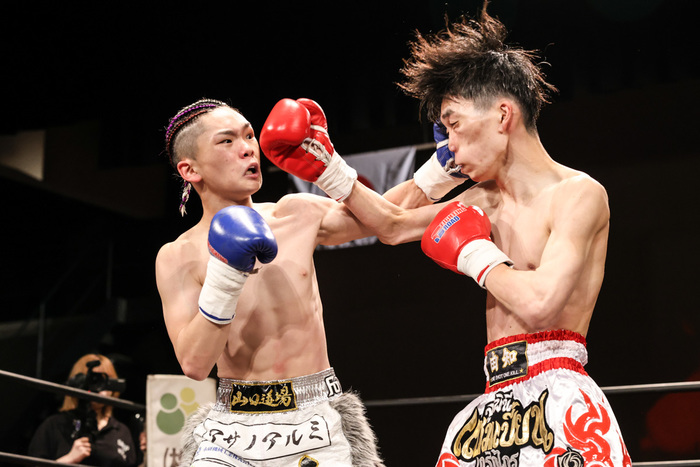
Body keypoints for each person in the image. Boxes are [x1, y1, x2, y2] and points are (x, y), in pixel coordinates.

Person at [259, 4, 631, 467]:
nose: (448, 143)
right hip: (493, 402)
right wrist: (329, 169)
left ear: (503, 115)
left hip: (558, 397)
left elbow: (540, 304)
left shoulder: (577, 194)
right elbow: (391, 225)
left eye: (454, 123)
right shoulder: (481, 200)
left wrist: (473, 252)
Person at [155, 98, 396, 466]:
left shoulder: (296, 213)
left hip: (316, 419)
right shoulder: (177, 255)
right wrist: (226, 273)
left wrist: (438, 173)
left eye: (249, 135)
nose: (247, 148)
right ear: (190, 169)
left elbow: (389, 219)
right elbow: (195, 364)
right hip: (233, 429)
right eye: (227, 141)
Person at [27, 353, 139, 466]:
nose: (100, 388)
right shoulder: (55, 425)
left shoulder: (121, 432)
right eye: (94, 380)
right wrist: (68, 460)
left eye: (104, 380)